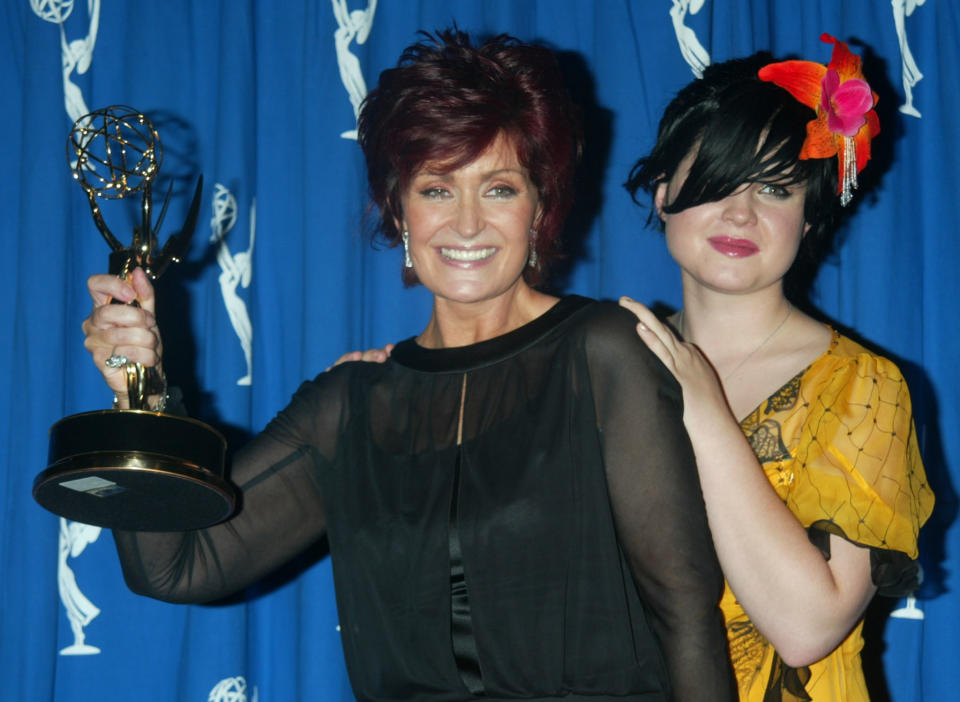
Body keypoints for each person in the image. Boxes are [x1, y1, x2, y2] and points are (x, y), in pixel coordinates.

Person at [82, 30, 735, 702]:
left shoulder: (603, 351)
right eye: (437, 190)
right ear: (398, 208)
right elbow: (178, 566)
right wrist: (143, 396)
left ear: (540, 205)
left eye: (500, 188)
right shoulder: (349, 406)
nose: (469, 223)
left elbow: (683, 609)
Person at [619, 35, 935, 701]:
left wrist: (704, 414)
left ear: (810, 216)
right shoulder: (615, 361)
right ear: (661, 192)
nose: (741, 213)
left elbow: (806, 626)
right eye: (717, 179)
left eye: (775, 188)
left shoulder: (863, 387)